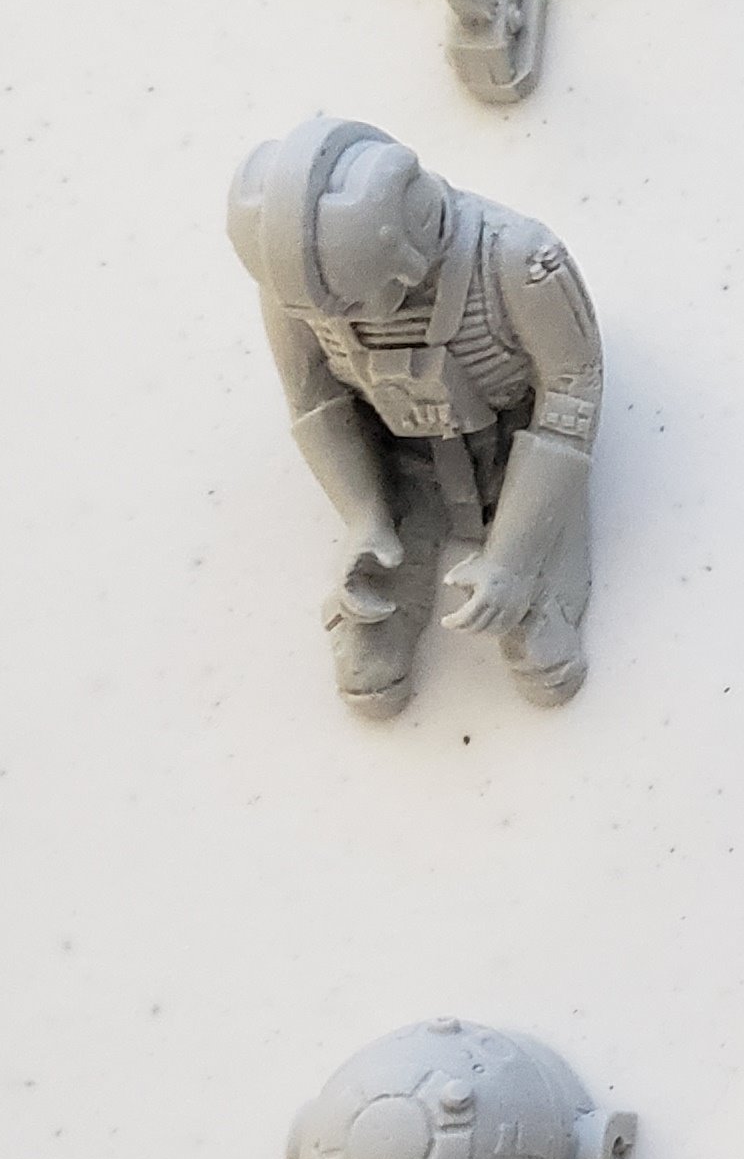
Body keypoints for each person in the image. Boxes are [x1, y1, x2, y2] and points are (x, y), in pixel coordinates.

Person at [225, 119, 600, 714]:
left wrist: (512, 556)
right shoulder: (299, 285)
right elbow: (312, 397)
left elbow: (571, 393)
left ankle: (532, 579)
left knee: (542, 656)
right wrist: (364, 514)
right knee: (370, 656)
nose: (345, 318)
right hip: (399, 455)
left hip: (514, 442)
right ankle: (393, 551)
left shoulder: (517, 260)